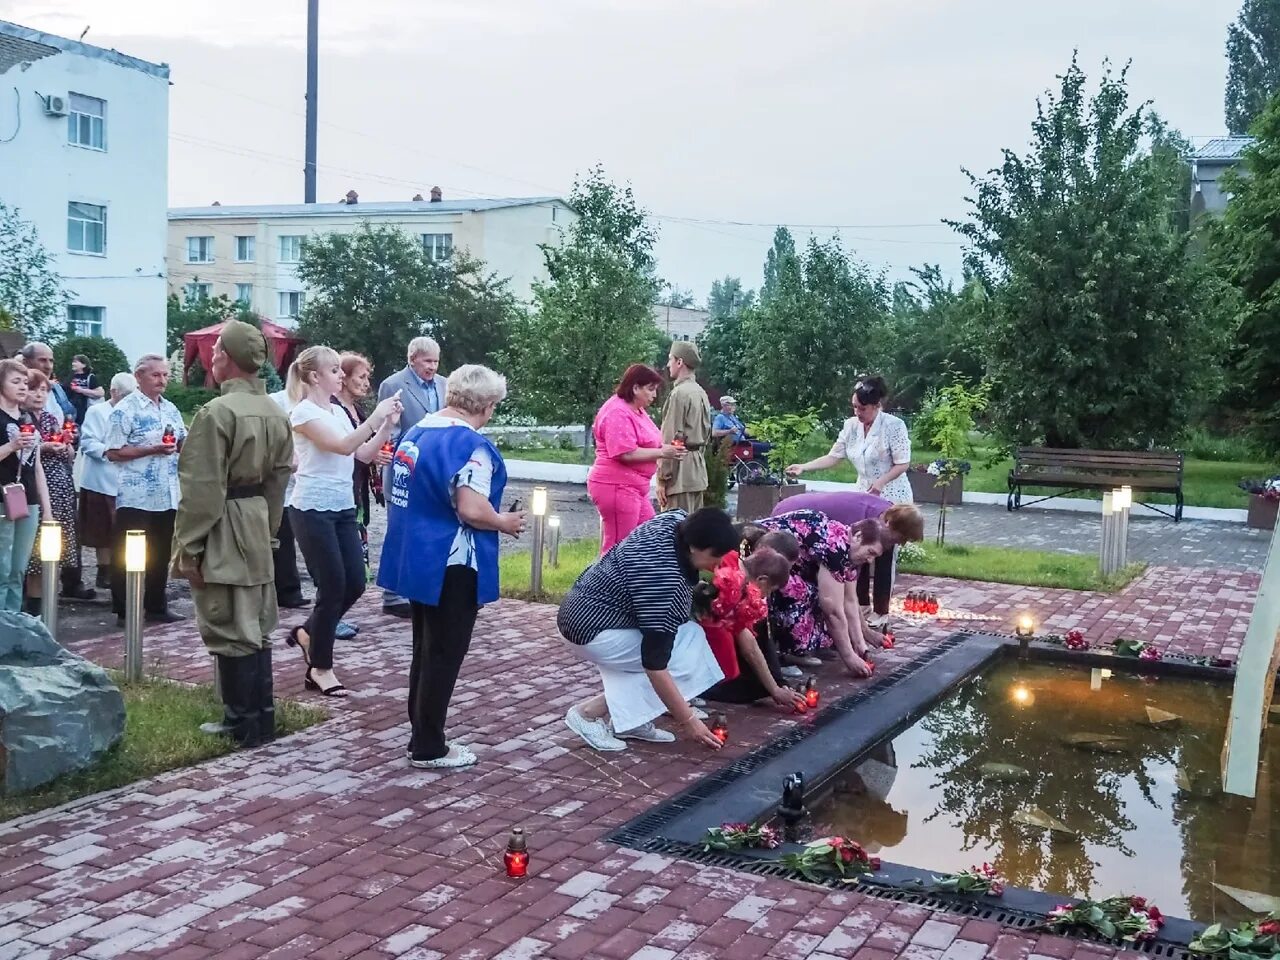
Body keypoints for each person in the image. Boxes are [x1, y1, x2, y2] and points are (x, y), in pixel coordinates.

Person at [379, 364, 526, 769]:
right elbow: (470, 508)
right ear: (488, 405)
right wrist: (504, 522)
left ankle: (422, 732)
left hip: (418, 553)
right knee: (444, 654)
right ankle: (429, 746)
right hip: (452, 559)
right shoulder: (470, 445)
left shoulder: (419, 431)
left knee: (424, 650)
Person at [172, 320, 294, 747]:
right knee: (256, 622)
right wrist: (269, 529)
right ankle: (260, 716)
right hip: (257, 517)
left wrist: (188, 547)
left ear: (229, 358)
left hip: (224, 519)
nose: (213, 358)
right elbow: (279, 482)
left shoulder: (216, 413)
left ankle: (240, 721)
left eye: (218, 351)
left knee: (227, 619)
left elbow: (202, 489)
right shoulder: (277, 412)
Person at [558, 508, 740, 753]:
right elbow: (655, 665)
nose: (718, 564)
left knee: (687, 637)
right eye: (716, 555)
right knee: (683, 654)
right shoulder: (666, 584)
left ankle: (630, 720)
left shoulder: (674, 520)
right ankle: (587, 714)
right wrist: (689, 721)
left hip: (581, 607)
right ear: (695, 547)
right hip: (592, 631)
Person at [284, 346, 402, 697]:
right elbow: (339, 446)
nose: (340, 375)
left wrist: (384, 426)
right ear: (313, 377)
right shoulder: (303, 413)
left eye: (339, 369)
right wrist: (373, 418)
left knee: (355, 583)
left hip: (342, 507)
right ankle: (320, 667)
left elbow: (362, 453)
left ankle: (308, 632)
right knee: (333, 586)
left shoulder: (336, 410)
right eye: (334, 370)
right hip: (311, 509)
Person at [754, 509, 884, 678]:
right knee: (801, 592)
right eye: (871, 552)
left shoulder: (847, 548)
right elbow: (832, 610)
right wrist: (849, 657)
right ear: (858, 537)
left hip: (788, 560)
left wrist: (861, 647)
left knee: (815, 593)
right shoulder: (835, 547)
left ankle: (797, 648)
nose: (870, 560)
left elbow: (849, 601)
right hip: (763, 553)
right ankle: (784, 654)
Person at [106, 354, 186, 624]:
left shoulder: (171, 409)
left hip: (167, 492)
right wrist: (151, 449)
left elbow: (184, 441)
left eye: (165, 375)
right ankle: (124, 609)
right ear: (139, 377)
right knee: (130, 552)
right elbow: (114, 452)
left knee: (161, 552)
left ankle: (156, 605)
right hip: (136, 494)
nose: (162, 380)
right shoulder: (125, 409)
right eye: (156, 375)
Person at [772, 492, 925, 630]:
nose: (898, 544)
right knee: (805, 588)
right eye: (899, 538)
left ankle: (824, 635)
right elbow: (842, 583)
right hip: (791, 517)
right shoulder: (862, 525)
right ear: (889, 524)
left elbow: (849, 582)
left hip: (805, 520)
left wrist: (862, 631)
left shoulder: (885, 516)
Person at [377, 336, 448, 619]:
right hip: (404, 469)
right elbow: (387, 429)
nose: (432, 367)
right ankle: (392, 595)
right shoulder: (393, 384)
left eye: (436, 361)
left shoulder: (444, 384)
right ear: (412, 359)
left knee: (427, 531)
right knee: (400, 531)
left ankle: (421, 590)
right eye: (427, 361)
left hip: (435, 473)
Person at [696, 546, 808, 711]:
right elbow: (749, 646)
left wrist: (777, 684)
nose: (766, 596)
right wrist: (774, 689)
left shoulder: (736, 561)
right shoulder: (733, 579)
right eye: (770, 590)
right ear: (762, 579)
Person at [587, 364, 684, 554]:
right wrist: (664, 453)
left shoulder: (636, 409)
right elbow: (626, 453)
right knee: (617, 549)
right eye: (650, 389)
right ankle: (603, 583)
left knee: (648, 539)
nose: (654, 395)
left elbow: (647, 444)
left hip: (633, 488)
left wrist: (668, 449)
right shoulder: (618, 412)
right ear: (635, 388)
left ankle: (633, 582)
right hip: (616, 486)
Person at [786, 376, 913, 504]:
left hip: (893, 496)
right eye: (855, 407)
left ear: (876, 405)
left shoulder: (894, 425)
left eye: (862, 408)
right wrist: (803, 467)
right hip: (863, 494)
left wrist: (881, 482)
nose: (857, 412)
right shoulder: (850, 425)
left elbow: (902, 463)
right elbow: (833, 457)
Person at [22, 370, 86, 611]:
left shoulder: (51, 418)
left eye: (44, 390)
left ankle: (49, 602)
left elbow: (68, 456)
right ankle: (35, 606)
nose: (39, 395)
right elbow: (32, 452)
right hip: (39, 489)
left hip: (61, 487)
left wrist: (67, 444)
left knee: (57, 548)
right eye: (33, 389)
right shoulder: (22, 418)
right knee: (35, 555)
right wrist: (47, 445)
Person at [0, 359, 49, 613]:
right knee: (2, 567)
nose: (23, 388)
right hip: (2, 497)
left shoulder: (27, 417)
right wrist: (12, 446)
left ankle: (13, 624)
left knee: (19, 568)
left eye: (25, 383)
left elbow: (36, 466)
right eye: (15, 382)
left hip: (27, 499)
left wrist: (47, 510)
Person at [79, 373, 136, 590]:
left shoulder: (132, 411)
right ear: (113, 392)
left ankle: (121, 568)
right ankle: (104, 571)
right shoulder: (97, 412)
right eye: (125, 395)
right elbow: (88, 441)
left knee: (122, 527)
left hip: (125, 479)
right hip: (100, 478)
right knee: (100, 528)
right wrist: (109, 452)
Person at [657, 342, 711, 514]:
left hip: (679, 474)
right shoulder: (701, 392)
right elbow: (706, 435)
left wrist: (662, 478)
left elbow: (672, 440)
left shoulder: (679, 394)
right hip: (696, 471)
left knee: (673, 534)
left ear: (679, 362)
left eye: (670, 359)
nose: (668, 365)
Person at [19, 343, 75, 421]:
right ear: (26, 362)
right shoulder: (16, 390)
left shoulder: (56, 388)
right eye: (42, 360)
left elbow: (70, 415)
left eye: (51, 361)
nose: (48, 366)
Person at [711, 396, 771, 462]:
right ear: (724, 405)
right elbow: (714, 433)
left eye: (734, 404)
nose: (734, 406)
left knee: (767, 444)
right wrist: (729, 431)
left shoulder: (733, 417)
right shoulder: (720, 418)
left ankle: (762, 468)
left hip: (743, 443)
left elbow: (744, 430)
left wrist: (759, 433)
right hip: (735, 445)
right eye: (731, 404)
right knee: (767, 448)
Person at [67, 355, 104, 425]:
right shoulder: (70, 377)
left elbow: (100, 393)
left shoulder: (90, 377)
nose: (73, 364)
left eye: (75, 362)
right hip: (72, 412)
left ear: (84, 365)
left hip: (85, 411)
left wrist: (81, 390)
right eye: (73, 362)